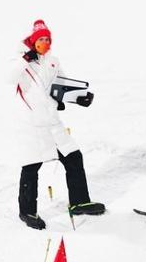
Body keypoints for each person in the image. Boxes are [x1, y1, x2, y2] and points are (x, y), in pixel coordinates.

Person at [9, 19, 105, 230]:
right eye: (40, 39)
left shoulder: (53, 61)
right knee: (32, 166)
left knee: (73, 157)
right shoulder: (21, 61)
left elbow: (62, 85)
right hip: (32, 125)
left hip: (53, 123)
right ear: (33, 41)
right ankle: (27, 211)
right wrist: (26, 58)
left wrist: (79, 98)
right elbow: (8, 77)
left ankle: (80, 202)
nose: (44, 42)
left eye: (47, 39)